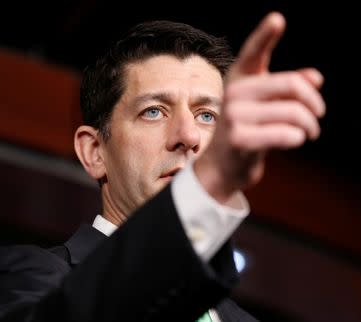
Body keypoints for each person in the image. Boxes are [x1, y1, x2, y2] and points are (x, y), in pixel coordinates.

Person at [0, 11, 325, 322]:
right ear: (94, 151)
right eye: (154, 111)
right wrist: (206, 183)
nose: (188, 135)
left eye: (207, 116)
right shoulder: (30, 277)